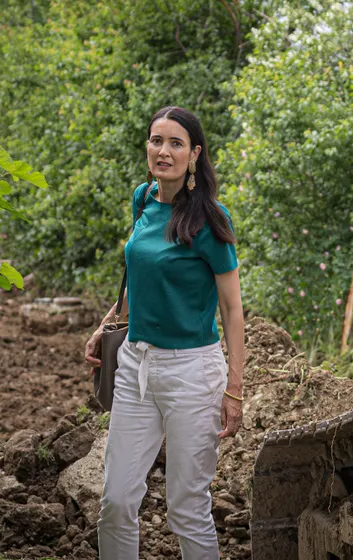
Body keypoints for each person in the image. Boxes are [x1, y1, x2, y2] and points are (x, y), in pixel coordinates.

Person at [84, 106, 245, 560]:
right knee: (115, 501)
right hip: (136, 364)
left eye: (175, 143)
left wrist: (234, 390)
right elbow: (138, 278)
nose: (163, 151)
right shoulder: (143, 198)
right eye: (156, 140)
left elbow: (233, 310)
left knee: (187, 507)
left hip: (192, 374)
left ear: (194, 154)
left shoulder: (212, 219)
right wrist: (108, 324)